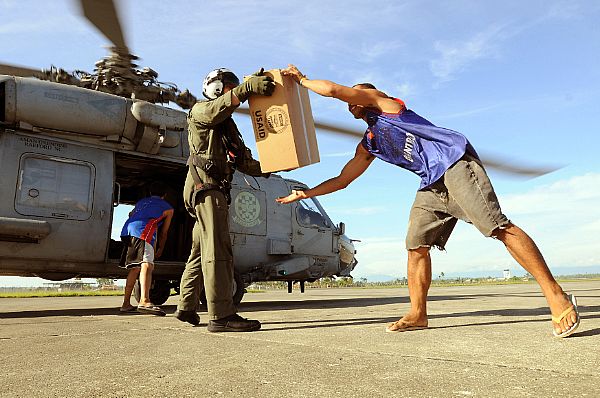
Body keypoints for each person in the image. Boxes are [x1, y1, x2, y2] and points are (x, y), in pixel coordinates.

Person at [276, 64, 580, 338]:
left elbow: (333, 91)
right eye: (352, 100)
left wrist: (302, 80)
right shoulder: (370, 142)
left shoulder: (387, 104)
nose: (353, 100)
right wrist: (305, 193)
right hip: (431, 183)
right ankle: (418, 314)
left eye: (358, 94)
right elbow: (343, 180)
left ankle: (555, 295)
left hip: (454, 163)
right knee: (415, 244)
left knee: (496, 227)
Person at [175, 67, 274, 332]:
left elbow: (244, 162)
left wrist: (276, 165)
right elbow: (216, 109)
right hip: (205, 187)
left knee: (199, 250)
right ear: (217, 89)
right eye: (230, 90)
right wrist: (246, 88)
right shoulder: (201, 111)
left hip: (212, 188)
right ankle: (221, 314)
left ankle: (186, 307)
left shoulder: (227, 127)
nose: (234, 97)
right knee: (218, 248)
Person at [120, 182, 174, 316]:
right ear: (165, 195)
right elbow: (164, 233)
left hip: (127, 231)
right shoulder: (168, 208)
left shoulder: (141, 203)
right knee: (147, 265)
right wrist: (160, 248)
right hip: (143, 232)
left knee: (135, 267)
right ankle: (144, 300)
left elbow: (130, 214)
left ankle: (126, 303)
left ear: (150, 193)